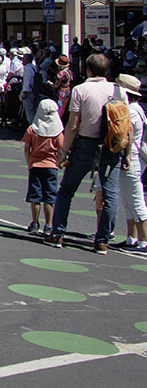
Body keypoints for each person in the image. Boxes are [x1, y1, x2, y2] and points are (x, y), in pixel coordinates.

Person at [47, 53, 121, 253]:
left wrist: (63, 151)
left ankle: (58, 234)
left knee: (67, 189)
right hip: (111, 144)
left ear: (88, 69)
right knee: (111, 193)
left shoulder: (80, 90)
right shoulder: (117, 90)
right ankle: (103, 240)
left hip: (85, 143)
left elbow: (73, 125)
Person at [112, 74, 147, 253]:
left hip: (131, 158)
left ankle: (144, 241)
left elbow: (127, 135)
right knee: (128, 198)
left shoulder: (131, 111)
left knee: (136, 198)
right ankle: (131, 237)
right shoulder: (135, 108)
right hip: (132, 157)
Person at [22, 99, 63, 234]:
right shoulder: (57, 132)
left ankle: (35, 222)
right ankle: (49, 224)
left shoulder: (32, 129)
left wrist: (29, 162)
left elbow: (27, 148)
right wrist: (58, 162)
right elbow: (61, 149)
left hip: (35, 165)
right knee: (50, 197)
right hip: (51, 166)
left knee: (35, 196)